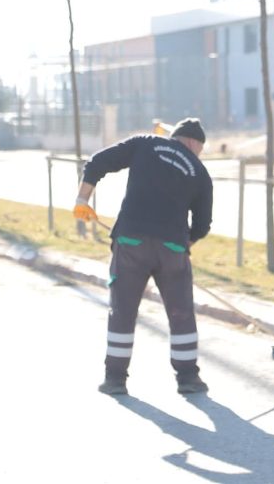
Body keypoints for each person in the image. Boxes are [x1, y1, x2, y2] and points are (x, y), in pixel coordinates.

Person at [73, 117, 214, 396]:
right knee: (181, 312)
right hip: (172, 247)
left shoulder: (145, 143)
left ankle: (115, 379)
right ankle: (188, 378)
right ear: (195, 144)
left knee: (123, 310)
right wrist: (183, 246)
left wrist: (82, 200)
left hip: (130, 240)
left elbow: (96, 162)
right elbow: (202, 224)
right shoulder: (199, 171)